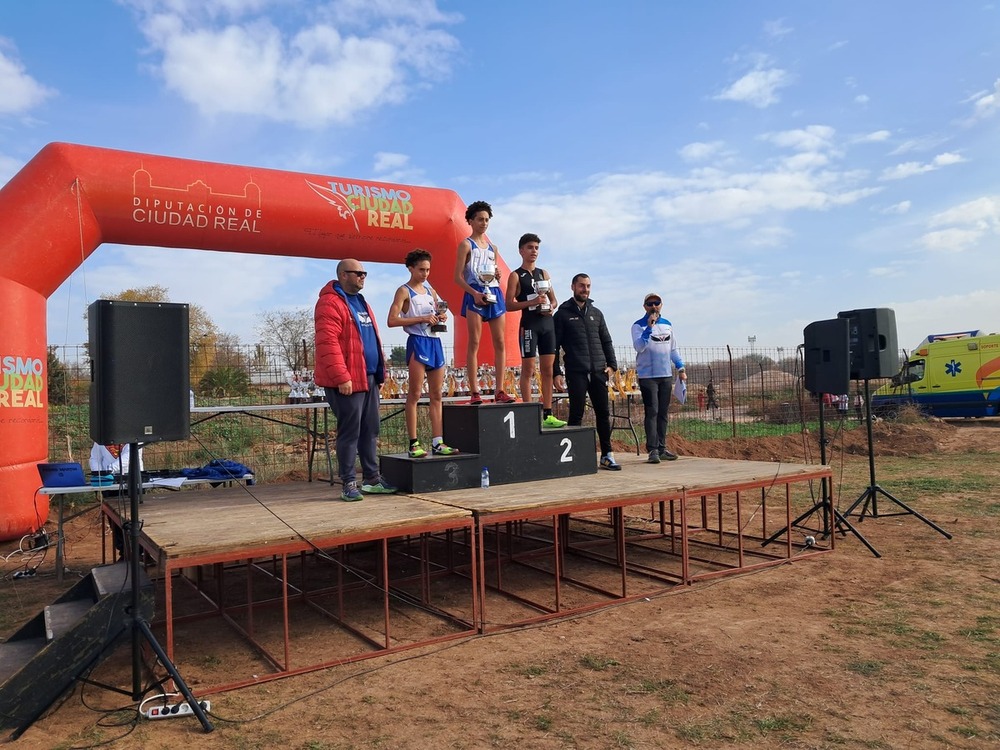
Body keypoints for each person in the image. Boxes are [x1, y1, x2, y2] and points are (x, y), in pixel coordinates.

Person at [314, 259, 397, 502]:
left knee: (370, 429)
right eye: (357, 273)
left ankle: (372, 479)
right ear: (343, 275)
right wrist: (342, 376)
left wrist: (381, 373)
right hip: (347, 380)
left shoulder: (362, 303)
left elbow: (372, 338)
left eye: (364, 273)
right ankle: (349, 482)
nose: (363, 277)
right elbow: (327, 343)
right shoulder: (329, 303)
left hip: (368, 377)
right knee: (350, 431)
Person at [387, 249, 460, 458]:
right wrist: (421, 319)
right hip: (417, 342)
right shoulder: (404, 291)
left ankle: (438, 441)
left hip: (435, 342)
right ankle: (413, 443)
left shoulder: (431, 292)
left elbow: (435, 314)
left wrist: (441, 316)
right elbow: (392, 320)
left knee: (437, 394)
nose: (425, 274)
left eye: (428, 270)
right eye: (421, 270)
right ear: (410, 268)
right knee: (415, 394)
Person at [553, 273, 621, 470]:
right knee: (576, 414)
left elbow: (606, 340)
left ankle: (607, 455)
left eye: (588, 286)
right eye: (582, 286)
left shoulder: (597, 313)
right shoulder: (562, 314)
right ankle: (572, 458)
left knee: (603, 413)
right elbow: (554, 346)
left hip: (599, 371)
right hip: (576, 371)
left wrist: (612, 365)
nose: (585, 289)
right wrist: (557, 371)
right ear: (573, 287)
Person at [453, 200, 514, 405]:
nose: (484, 223)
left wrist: (496, 273)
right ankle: (475, 391)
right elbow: (457, 277)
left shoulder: (492, 248)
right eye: (480, 219)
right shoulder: (465, 244)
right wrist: (474, 293)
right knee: (475, 342)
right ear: (470, 221)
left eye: (487, 219)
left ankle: (500, 389)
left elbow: (493, 273)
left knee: (500, 342)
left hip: (493, 292)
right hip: (474, 293)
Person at [504, 233, 566, 428]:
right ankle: (529, 412)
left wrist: (550, 306)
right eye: (530, 247)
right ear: (521, 250)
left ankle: (547, 413)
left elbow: (554, 299)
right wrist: (532, 302)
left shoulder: (543, 274)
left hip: (547, 324)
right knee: (528, 369)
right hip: (529, 325)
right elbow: (508, 304)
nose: (534, 251)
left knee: (547, 369)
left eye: (537, 248)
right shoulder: (515, 275)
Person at [631, 292, 686, 464]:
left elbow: (673, 349)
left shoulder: (667, 325)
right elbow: (639, 347)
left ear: (661, 305)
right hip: (648, 376)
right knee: (652, 411)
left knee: (663, 413)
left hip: (665, 376)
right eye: (649, 304)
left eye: (656, 303)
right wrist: (649, 327)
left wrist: (680, 367)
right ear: (644, 307)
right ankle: (652, 449)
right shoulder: (638, 326)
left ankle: (662, 448)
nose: (653, 306)